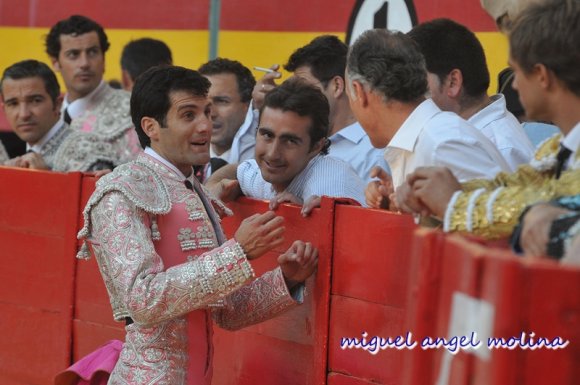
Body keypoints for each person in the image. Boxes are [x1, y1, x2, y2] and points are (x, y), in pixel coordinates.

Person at [76, 65, 318, 384]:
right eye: (188, 115)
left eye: (207, 112)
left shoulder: (193, 189)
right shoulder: (122, 190)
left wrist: (287, 279)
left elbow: (227, 310)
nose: (206, 125)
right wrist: (238, 252)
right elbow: (142, 301)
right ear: (151, 126)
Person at [397, 0, 580, 240]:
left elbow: (546, 202)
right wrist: (435, 192)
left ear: (542, 75)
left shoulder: (535, 145)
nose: (513, 84)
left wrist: (455, 203)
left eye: (516, 71)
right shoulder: (553, 148)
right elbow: (517, 187)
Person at [345, 29, 510, 210]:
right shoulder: (430, 139)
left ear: (359, 91)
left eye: (348, 96)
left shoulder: (441, 144)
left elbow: (500, 222)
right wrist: (396, 209)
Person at [207, 79, 366, 212]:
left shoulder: (330, 183)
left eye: (290, 141)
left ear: (316, 147)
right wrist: (214, 187)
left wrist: (306, 220)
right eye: (267, 135)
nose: (272, 154)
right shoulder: (267, 173)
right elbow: (239, 169)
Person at [407, 18, 534, 172]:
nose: (407, 91)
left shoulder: (503, 149)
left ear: (453, 82)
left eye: (417, 79)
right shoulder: (459, 138)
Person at [282, 35, 388, 183]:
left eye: (304, 87)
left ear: (337, 86)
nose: (298, 96)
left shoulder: (374, 152)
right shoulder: (303, 142)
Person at [46, 15, 140, 165]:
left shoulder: (133, 109)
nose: (84, 63)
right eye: (73, 54)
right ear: (55, 63)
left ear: (103, 60)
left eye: (92, 52)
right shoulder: (46, 115)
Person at [0, 60, 114, 172]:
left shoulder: (87, 151)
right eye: (13, 103)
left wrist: (46, 179)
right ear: (4, 110)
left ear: (57, 105)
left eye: (35, 100)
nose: (24, 114)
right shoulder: (16, 161)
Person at [198, 58, 258, 178]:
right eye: (203, 101)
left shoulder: (265, 166)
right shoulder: (179, 162)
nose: (211, 113)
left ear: (248, 105)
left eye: (221, 101)